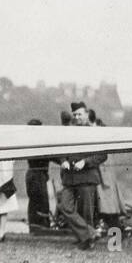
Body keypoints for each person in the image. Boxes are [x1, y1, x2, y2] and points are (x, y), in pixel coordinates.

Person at [52, 102, 106, 250]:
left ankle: (86, 240)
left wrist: (85, 162)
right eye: (74, 115)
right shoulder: (68, 132)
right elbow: (59, 151)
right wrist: (62, 161)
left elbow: (102, 155)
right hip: (69, 179)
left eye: (80, 114)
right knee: (64, 206)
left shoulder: (96, 132)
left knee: (86, 212)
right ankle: (89, 234)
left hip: (87, 178)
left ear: (87, 114)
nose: (77, 117)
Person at [89, 109, 125, 230]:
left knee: (109, 210)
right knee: (106, 208)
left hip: (104, 178)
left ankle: (116, 235)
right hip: (102, 177)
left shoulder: (101, 136)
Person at [24, 118, 53, 231]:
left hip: (33, 174)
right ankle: (40, 226)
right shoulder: (37, 143)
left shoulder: (31, 141)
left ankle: (36, 226)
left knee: (35, 201)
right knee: (40, 201)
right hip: (37, 174)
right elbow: (50, 156)